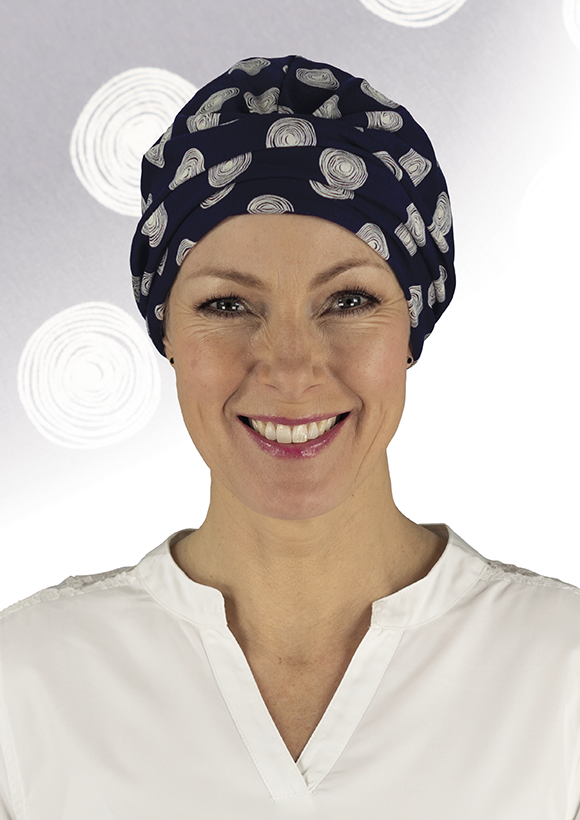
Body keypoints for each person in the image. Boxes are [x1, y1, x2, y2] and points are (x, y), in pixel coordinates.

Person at [1, 55, 579, 819]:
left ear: (411, 328)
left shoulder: (560, 677)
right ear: (166, 333)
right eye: (227, 305)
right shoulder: (28, 687)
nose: (292, 367)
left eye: (348, 300)